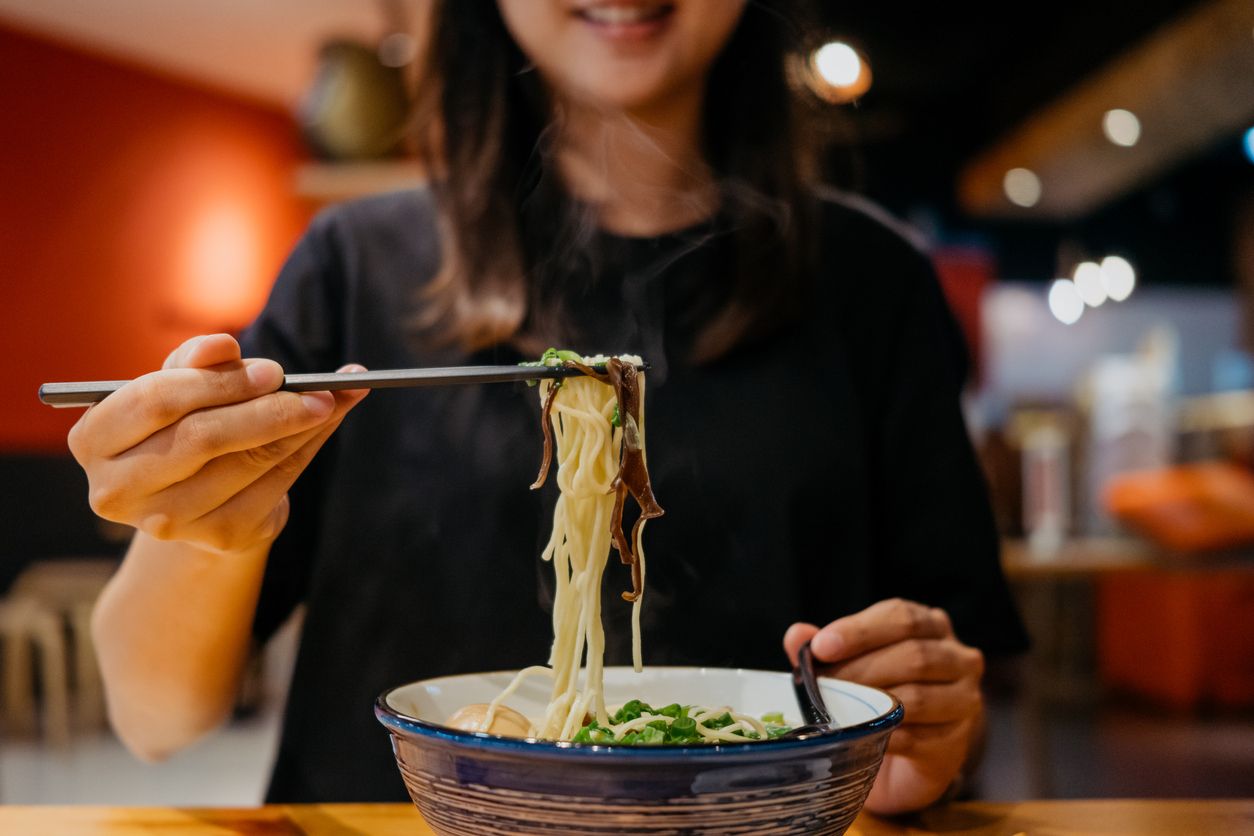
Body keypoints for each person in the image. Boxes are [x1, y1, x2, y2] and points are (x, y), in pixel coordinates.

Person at [70, 0, 1027, 814]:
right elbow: (153, 715)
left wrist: (933, 737)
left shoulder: (874, 283)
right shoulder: (355, 269)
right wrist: (205, 523)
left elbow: (960, 689)